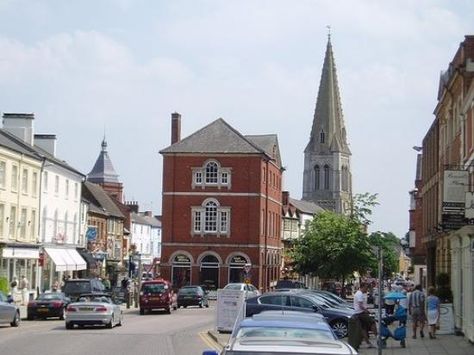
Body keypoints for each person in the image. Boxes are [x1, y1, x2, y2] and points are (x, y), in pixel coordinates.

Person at [353, 282, 377, 348]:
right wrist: (367, 311)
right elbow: (360, 305)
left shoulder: (358, 293)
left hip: (358, 313)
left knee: (363, 328)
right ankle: (377, 337)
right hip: (361, 313)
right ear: (362, 287)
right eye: (366, 288)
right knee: (372, 322)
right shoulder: (359, 294)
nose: (367, 289)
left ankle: (368, 343)